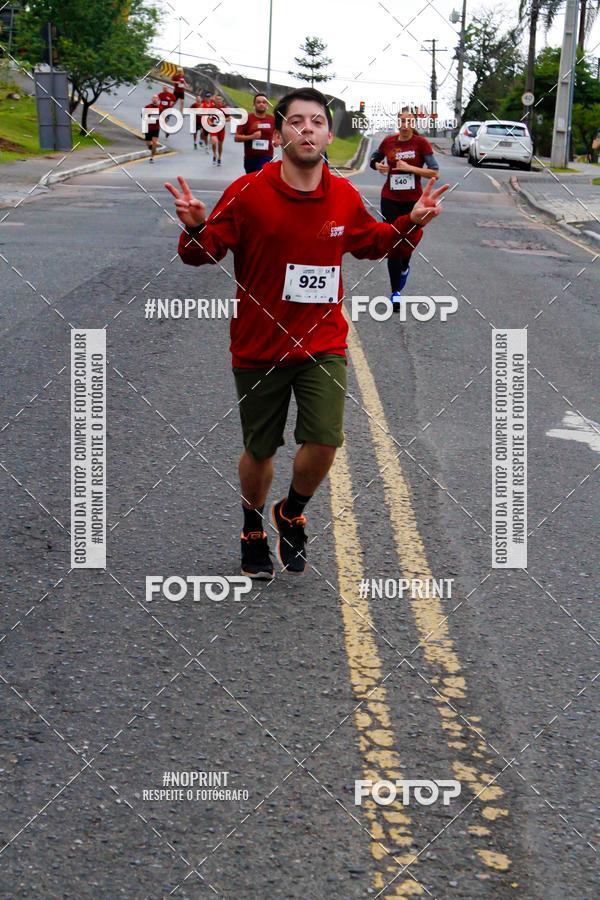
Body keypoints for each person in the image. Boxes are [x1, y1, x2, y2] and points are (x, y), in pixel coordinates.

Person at [165, 88, 448, 579]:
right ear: (279, 135)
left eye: (316, 121)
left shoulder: (341, 195)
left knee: (324, 441)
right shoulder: (247, 192)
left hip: (322, 343)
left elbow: (373, 243)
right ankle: (252, 523)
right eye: (295, 121)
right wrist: (193, 227)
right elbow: (204, 253)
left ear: (328, 134)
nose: (307, 129)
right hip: (258, 346)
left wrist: (410, 223)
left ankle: (291, 511)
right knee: (260, 450)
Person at [370, 107, 439, 308]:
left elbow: (435, 173)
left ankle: (405, 267)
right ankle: (395, 293)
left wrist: (410, 169)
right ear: (398, 122)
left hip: (413, 202)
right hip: (389, 198)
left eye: (409, 121)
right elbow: (373, 160)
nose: (405, 125)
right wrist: (378, 166)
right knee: (392, 242)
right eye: (402, 121)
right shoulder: (388, 142)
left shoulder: (421, 143)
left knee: (406, 243)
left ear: (414, 124)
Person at [234, 93, 275, 173]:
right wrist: (252, 137)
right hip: (250, 158)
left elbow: (278, 134)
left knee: (261, 177)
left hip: (267, 156)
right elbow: (237, 137)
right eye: (258, 102)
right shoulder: (246, 119)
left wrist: (277, 140)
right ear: (254, 105)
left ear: (267, 105)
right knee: (252, 182)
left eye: (264, 102)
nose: (261, 104)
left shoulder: (272, 119)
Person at [208, 93, 228, 166]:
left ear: (222, 100)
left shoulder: (224, 108)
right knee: (214, 141)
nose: (218, 100)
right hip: (213, 128)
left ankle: (219, 157)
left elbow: (229, 118)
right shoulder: (211, 108)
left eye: (220, 99)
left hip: (221, 129)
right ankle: (214, 154)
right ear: (215, 100)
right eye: (217, 99)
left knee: (220, 144)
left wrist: (223, 119)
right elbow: (208, 118)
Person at [143, 95, 161, 162]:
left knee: (154, 142)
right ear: (151, 99)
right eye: (153, 97)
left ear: (158, 99)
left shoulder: (160, 108)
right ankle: (152, 149)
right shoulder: (147, 107)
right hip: (148, 127)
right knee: (148, 143)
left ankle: (152, 157)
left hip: (156, 128)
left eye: (156, 98)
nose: (155, 99)